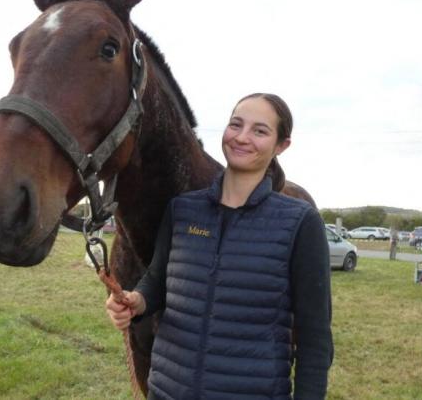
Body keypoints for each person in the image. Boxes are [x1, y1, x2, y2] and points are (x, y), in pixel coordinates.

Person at [106, 93, 333, 399]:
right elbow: (158, 281)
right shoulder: (182, 210)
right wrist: (138, 301)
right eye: (235, 125)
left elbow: (314, 338)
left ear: (281, 145)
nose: (242, 137)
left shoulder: (300, 222)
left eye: (260, 131)